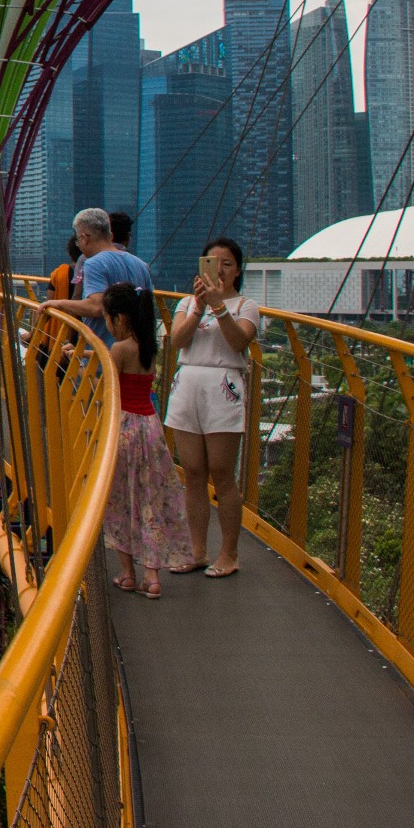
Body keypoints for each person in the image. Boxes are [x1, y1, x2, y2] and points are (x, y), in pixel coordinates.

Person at [164, 234, 259, 578]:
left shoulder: (244, 306)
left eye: (227, 264)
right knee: (192, 473)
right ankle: (198, 550)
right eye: (212, 263)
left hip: (223, 385)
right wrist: (201, 307)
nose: (219, 269)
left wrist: (219, 307)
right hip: (188, 383)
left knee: (222, 473)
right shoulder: (188, 303)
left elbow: (238, 341)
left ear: (237, 271)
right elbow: (177, 341)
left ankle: (229, 553)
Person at [100, 282, 195, 598]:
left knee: (119, 502)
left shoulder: (118, 349)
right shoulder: (148, 346)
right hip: (150, 429)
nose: (107, 324)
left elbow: (109, 389)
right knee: (148, 501)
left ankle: (127, 573)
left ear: (120, 318)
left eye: (108, 318)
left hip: (124, 429)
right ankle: (152, 576)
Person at [42, 208, 151, 345]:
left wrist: (59, 303)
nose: (79, 245)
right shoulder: (141, 265)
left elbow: (97, 307)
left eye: (78, 240)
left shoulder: (93, 263)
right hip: (136, 353)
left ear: (85, 238)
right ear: (109, 234)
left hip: (102, 354)